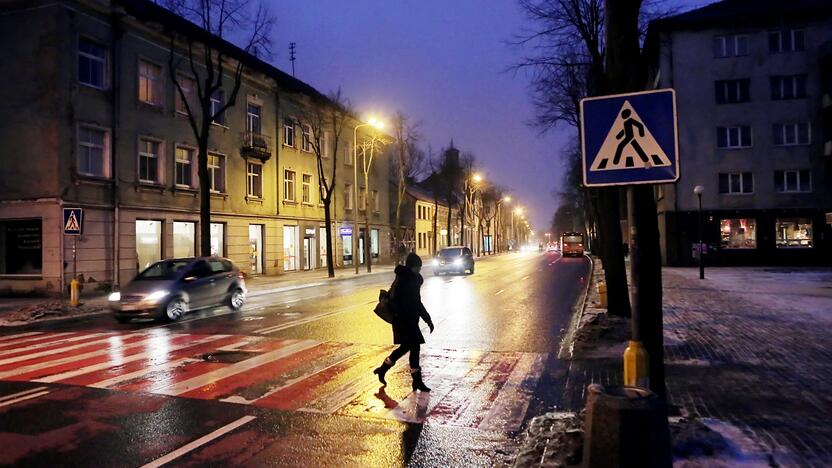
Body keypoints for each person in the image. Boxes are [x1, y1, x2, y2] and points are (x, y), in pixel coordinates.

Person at [373, 252, 435, 391]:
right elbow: (414, 303)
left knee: (406, 347)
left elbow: (416, 302)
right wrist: (427, 319)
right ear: (411, 267)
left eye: (420, 266)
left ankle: (383, 369)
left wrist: (426, 319)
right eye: (417, 267)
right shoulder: (404, 281)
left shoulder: (411, 279)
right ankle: (417, 381)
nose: (419, 269)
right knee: (414, 347)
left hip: (409, 320)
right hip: (403, 320)